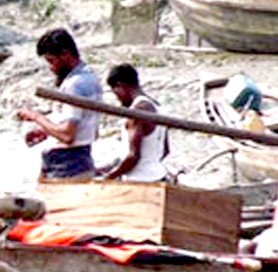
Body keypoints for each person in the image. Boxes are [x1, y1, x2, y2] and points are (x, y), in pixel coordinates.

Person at [16, 28, 101, 180]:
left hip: (67, 166)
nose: (51, 67)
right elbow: (86, 128)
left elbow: (67, 135)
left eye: (51, 61)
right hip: (80, 160)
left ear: (65, 54)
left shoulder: (74, 85)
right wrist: (47, 131)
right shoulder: (89, 78)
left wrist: (36, 117)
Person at [98, 64, 169, 182]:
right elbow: (165, 150)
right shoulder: (158, 108)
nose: (118, 99)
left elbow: (133, 156)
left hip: (139, 180)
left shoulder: (137, 112)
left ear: (120, 86)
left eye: (116, 93)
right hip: (158, 176)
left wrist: (110, 176)